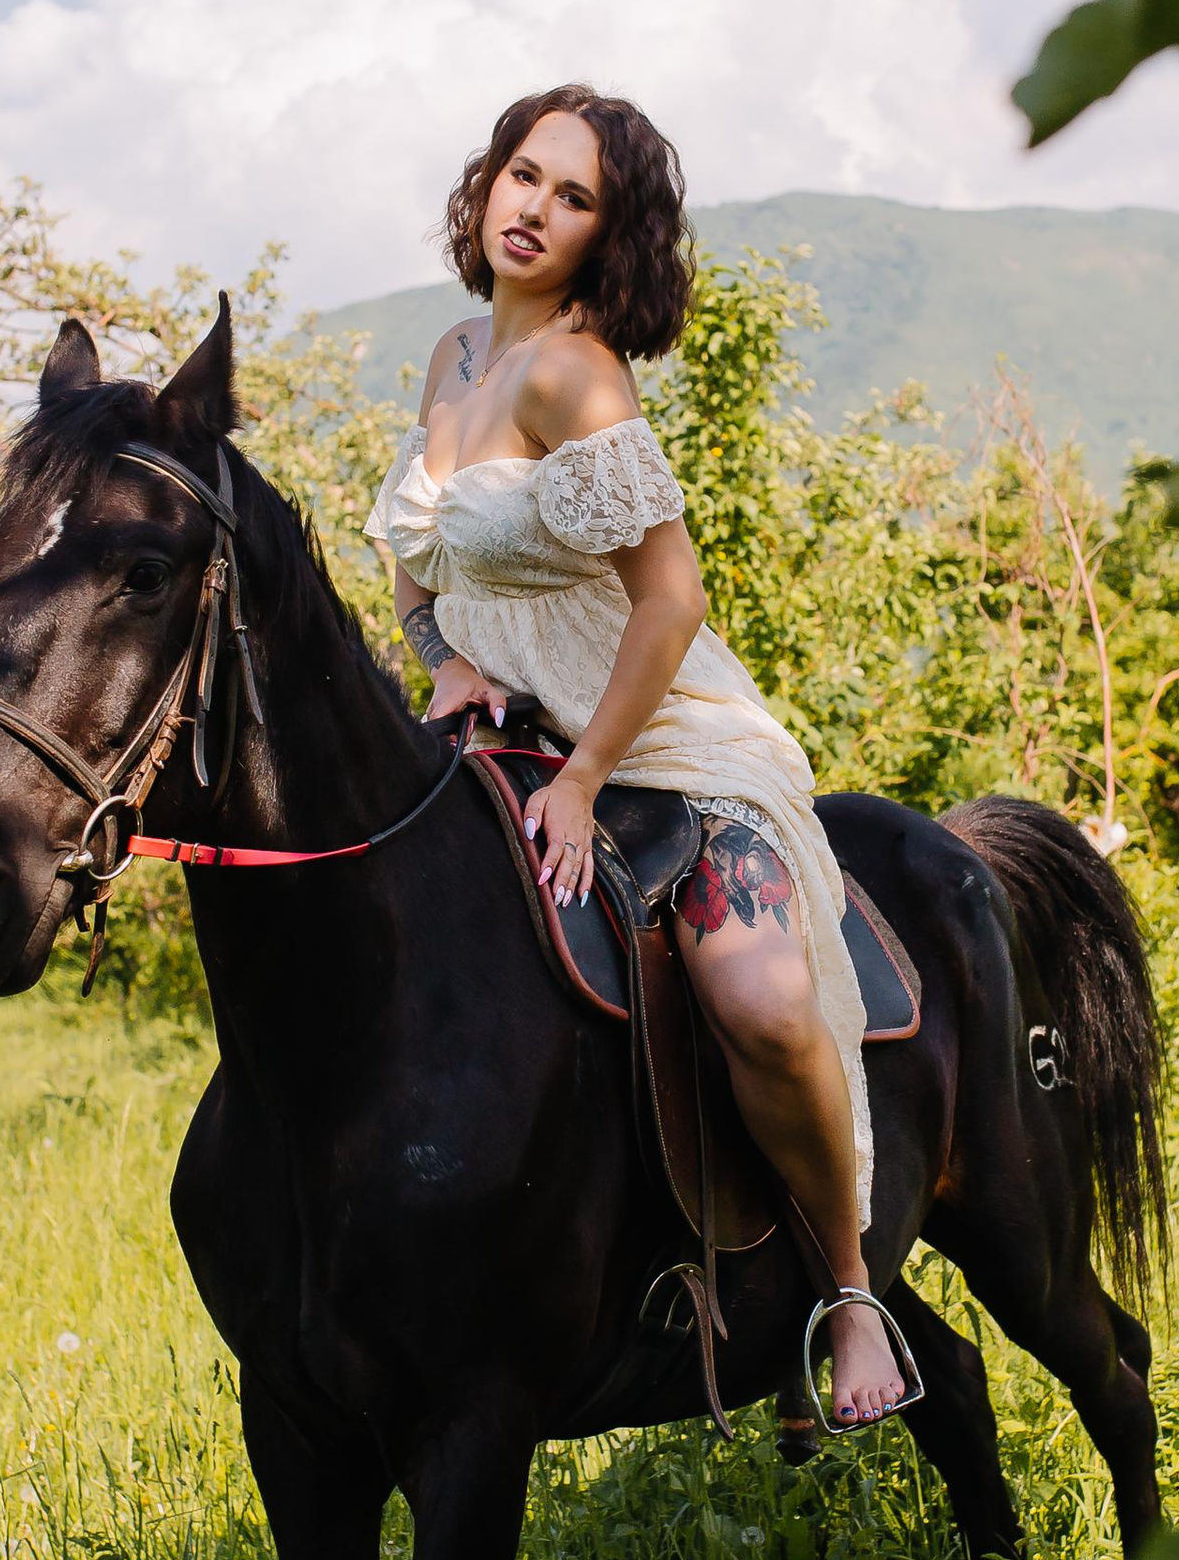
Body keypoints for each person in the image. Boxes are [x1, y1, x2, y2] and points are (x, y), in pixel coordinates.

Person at [364, 84, 914, 1429]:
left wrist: (584, 775)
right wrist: (443, 659)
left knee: (762, 998)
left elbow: (672, 599)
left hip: (655, 732)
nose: (533, 209)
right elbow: (419, 560)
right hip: (508, 725)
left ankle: (847, 1294)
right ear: (486, 180)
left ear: (609, 236)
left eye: (573, 197)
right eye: (523, 175)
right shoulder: (451, 358)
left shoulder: (575, 372)